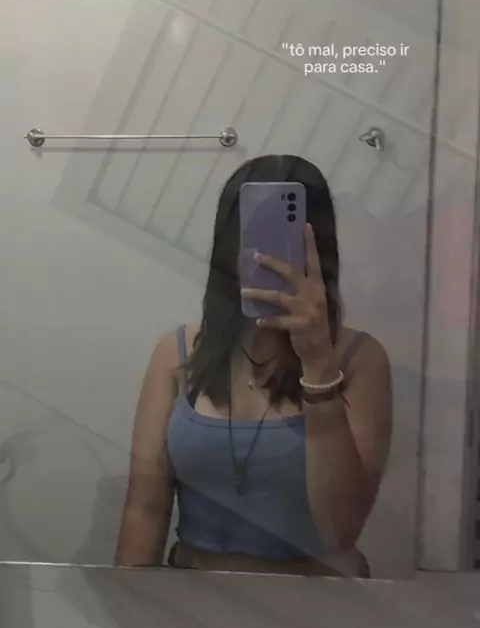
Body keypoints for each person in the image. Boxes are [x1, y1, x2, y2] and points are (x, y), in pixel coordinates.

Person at [116, 155, 392, 577]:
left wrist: (318, 362)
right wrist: (132, 608)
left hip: (322, 607)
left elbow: (340, 531)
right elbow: (144, 511)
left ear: (317, 249)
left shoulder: (360, 359)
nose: (265, 256)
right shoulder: (178, 352)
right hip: (194, 598)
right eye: (252, 236)